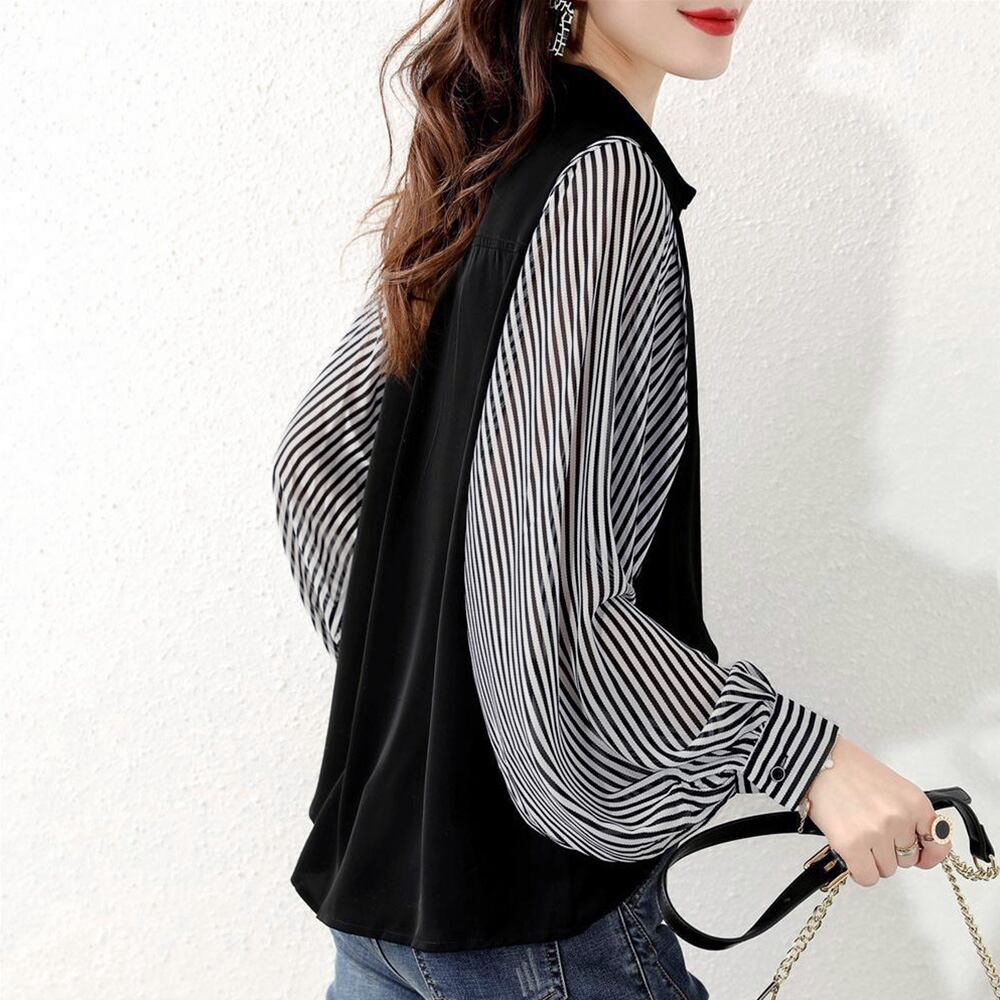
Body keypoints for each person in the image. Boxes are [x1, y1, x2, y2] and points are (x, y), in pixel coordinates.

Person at [271, 1, 952, 996]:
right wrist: (810, 759)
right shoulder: (604, 181)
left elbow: (317, 466)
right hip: (535, 932)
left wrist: (442, 715)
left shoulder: (490, 158)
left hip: (382, 906)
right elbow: (546, 595)